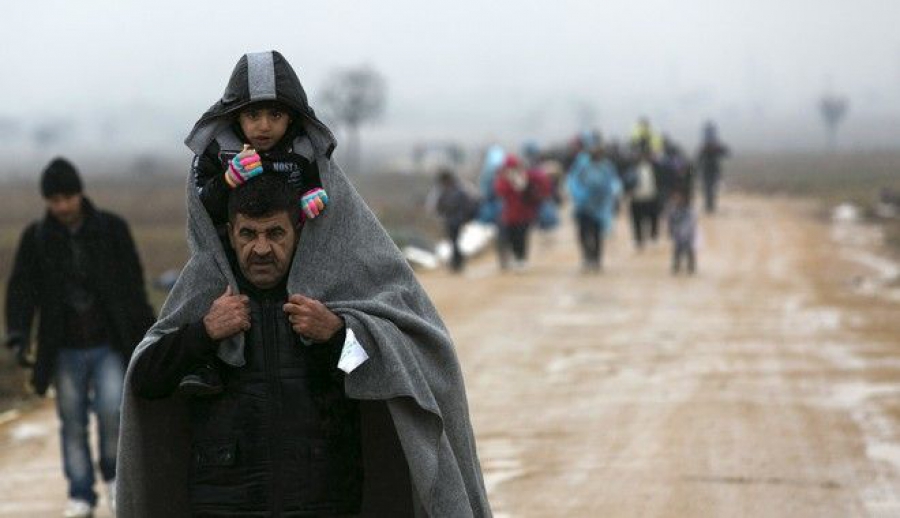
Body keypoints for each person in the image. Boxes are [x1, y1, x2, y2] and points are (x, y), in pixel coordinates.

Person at [116, 50, 491, 517]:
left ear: (301, 227)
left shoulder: (334, 301)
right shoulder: (206, 298)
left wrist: (337, 333)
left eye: (276, 233)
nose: (261, 248)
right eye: (247, 235)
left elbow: (389, 372)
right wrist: (203, 335)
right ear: (229, 234)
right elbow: (147, 382)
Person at [4, 157, 155, 518]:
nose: (62, 207)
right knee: (71, 422)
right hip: (64, 347)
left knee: (112, 411)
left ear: (79, 194)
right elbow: (21, 290)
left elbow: (132, 285)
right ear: (47, 201)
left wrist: (147, 333)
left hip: (108, 342)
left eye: (67, 197)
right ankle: (81, 494)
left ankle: (116, 482)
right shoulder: (37, 239)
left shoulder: (112, 230)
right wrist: (19, 334)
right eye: (54, 200)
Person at [566, 142, 622, 272]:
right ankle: (586, 256)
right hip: (583, 206)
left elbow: (613, 182)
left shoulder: (606, 166)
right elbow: (573, 181)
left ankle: (596, 259)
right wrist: (579, 195)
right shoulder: (582, 166)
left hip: (600, 207)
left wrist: (613, 193)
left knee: (597, 234)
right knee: (583, 232)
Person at [494, 154, 550, 271]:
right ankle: (517, 257)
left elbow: (539, 186)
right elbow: (500, 191)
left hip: (524, 214)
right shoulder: (503, 179)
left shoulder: (526, 176)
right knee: (513, 237)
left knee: (522, 237)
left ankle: (521, 258)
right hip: (510, 215)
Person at [426, 168, 479, 272]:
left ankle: (456, 263)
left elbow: (467, 205)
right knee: (454, 241)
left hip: (456, 220)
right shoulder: (449, 190)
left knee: (454, 241)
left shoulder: (457, 190)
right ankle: (457, 262)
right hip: (451, 220)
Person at [625, 145, 664, 250]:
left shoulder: (655, 167)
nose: (642, 157)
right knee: (636, 220)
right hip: (636, 198)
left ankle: (653, 237)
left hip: (651, 197)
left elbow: (662, 181)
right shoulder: (631, 167)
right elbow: (626, 182)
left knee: (654, 219)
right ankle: (638, 240)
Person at [696, 121, 730, 214]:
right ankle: (709, 206)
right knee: (708, 189)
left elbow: (726, 153)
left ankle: (710, 206)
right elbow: (699, 159)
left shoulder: (713, 147)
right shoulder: (704, 148)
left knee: (710, 189)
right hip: (708, 170)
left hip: (712, 170)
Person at [667, 190, 698, 274]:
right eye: (675, 198)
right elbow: (670, 222)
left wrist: (690, 233)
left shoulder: (689, 211)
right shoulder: (672, 210)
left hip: (688, 234)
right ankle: (676, 266)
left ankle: (691, 266)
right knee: (677, 251)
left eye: (678, 198)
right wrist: (670, 232)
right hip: (677, 234)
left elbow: (692, 223)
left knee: (689, 250)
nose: (677, 200)